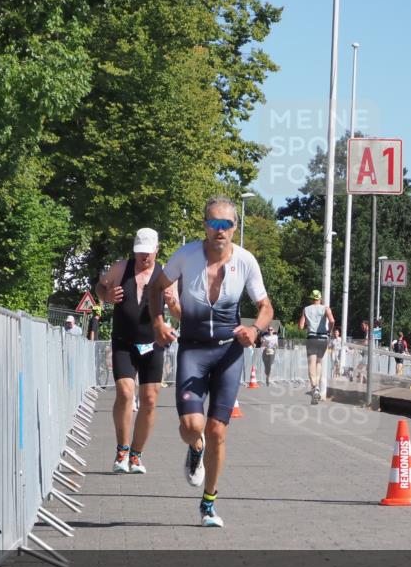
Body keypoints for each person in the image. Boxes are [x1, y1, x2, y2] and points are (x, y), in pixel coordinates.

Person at [151, 197, 273, 528]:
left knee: (218, 430)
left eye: (226, 225)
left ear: (235, 227)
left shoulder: (246, 261)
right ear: (205, 225)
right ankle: (195, 449)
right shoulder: (186, 256)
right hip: (192, 349)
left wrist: (255, 329)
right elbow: (156, 287)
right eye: (214, 224)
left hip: (228, 352)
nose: (220, 231)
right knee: (192, 427)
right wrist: (159, 322)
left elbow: (265, 306)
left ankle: (208, 503)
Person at [95, 228, 180, 476]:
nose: (144, 258)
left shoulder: (166, 274)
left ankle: (136, 455)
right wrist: (107, 296)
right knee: (124, 392)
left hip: (153, 344)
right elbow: (99, 287)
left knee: (150, 400)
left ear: (157, 250)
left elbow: (178, 313)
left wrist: (172, 302)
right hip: (123, 341)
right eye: (139, 253)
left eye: (148, 253)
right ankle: (121, 450)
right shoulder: (121, 268)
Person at [298, 289, 335, 405]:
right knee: (319, 362)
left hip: (312, 338)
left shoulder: (306, 309)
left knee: (311, 363)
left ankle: (314, 387)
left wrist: (308, 326)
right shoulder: (325, 308)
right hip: (323, 338)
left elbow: (300, 326)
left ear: (311, 298)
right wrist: (329, 330)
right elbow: (332, 320)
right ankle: (317, 386)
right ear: (320, 298)